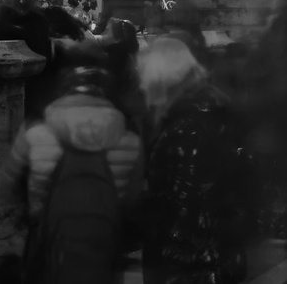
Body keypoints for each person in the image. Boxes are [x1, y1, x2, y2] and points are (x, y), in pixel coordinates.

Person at [138, 34, 254, 284]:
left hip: (189, 257)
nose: (142, 86)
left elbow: (187, 199)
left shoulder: (187, 124)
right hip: (210, 246)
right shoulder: (206, 111)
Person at [14, 62, 144, 284]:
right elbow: (133, 197)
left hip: (52, 237)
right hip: (105, 237)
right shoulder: (130, 140)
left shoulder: (36, 133)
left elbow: (8, 182)